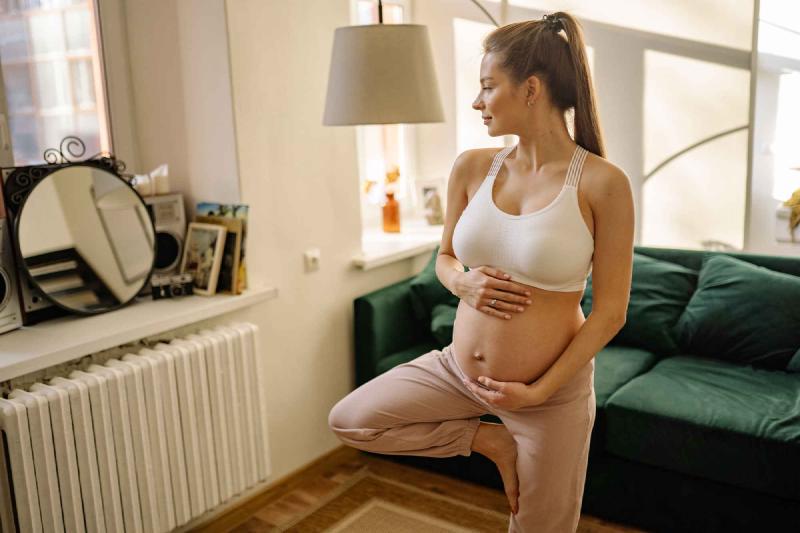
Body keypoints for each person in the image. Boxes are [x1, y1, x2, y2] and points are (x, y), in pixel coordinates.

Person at [329, 11, 634, 533]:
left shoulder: (602, 183)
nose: (476, 102)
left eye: (488, 87)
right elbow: (445, 258)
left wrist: (537, 393)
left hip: (550, 397)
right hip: (458, 372)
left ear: (531, 89)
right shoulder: (473, 166)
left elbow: (609, 314)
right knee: (350, 420)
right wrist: (461, 281)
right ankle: (491, 441)